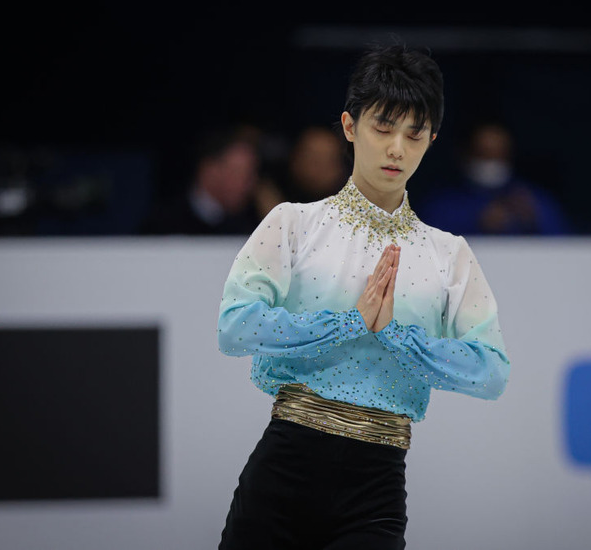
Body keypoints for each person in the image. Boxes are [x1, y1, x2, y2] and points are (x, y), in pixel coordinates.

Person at [215, 44, 510, 549]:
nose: (397, 148)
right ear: (350, 126)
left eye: (414, 134)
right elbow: (234, 327)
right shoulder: (294, 224)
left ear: (431, 140)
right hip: (283, 471)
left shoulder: (448, 255)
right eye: (383, 127)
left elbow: (492, 370)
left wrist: (397, 337)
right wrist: (347, 322)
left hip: (375, 488)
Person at [417, 121, 569, 235]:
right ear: (465, 155)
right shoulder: (443, 204)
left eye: (499, 155)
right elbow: (425, 240)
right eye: (484, 154)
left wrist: (534, 217)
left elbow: (567, 241)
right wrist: (477, 222)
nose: (492, 163)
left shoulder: (531, 199)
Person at [140, 125, 279, 235]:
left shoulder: (252, 224)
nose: (250, 184)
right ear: (209, 171)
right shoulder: (162, 224)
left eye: (252, 174)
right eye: (240, 173)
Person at [272, 125, 348, 204]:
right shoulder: (272, 195)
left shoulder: (349, 205)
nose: (321, 170)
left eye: (329, 161)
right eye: (315, 161)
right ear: (295, 159)